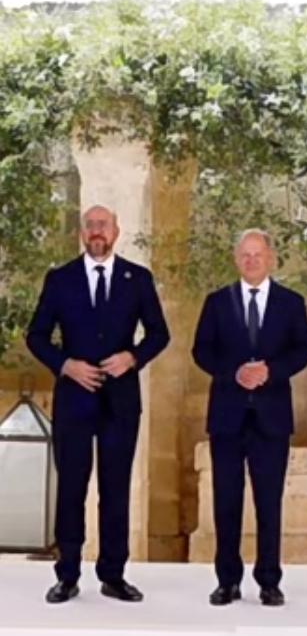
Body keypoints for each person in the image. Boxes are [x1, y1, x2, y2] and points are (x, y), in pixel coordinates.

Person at [25, 204, 170, 604]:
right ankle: (67, 575)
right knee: (71, 488)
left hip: (121, 402)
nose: (96, 231)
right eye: (90, 225)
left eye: (103, 225)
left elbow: (159, 334)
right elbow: (36, 336)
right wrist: (65, 365)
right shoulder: (60, 279)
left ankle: (113, 575)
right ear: (82, 233)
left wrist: (133, 357)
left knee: (115, 488)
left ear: (115, 232)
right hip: (74, 401)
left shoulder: (137, 279)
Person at [191, 229, 307, 607]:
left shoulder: (291, 303)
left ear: (270, 258)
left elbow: (302, 351)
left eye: (258, 254)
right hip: (227, 417)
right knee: (226, 502)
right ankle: (227, 581)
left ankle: (269, 581)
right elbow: (202, 350)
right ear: (236, 259)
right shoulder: (216, 302)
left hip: (271, 418)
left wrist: (270, 371)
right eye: (245, 255)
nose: (252, 261)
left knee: (269, 503)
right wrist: (235, 373)